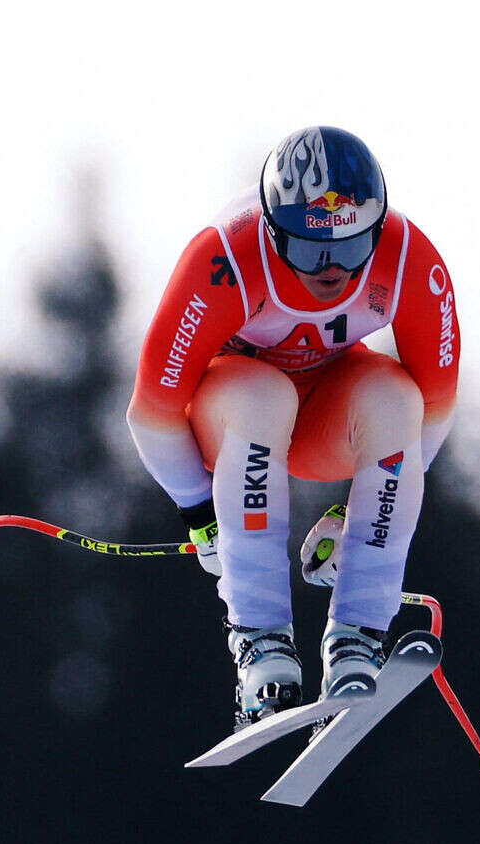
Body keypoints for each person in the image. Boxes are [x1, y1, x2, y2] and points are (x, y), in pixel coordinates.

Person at [127, 126, 459, 730]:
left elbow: (431, 416)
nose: (330, 270)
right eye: (308, 252)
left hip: (325, 417)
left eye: (351, 248)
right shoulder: (224, 259)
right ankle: (260, 643)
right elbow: (150, 414)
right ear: (274, 231)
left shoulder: (410, 259)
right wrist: (200, 513)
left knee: (396, 401)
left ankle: (358, 636)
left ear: (376, 229)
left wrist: (359, 515)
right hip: (233, 415)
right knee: (262, 394)